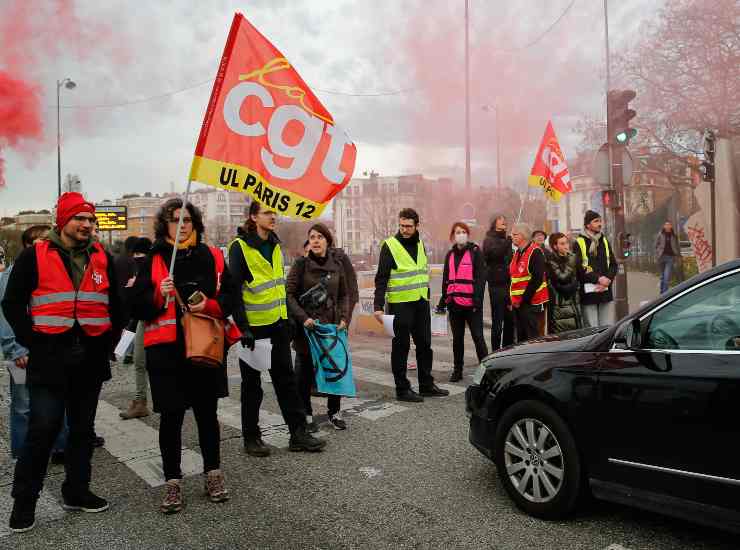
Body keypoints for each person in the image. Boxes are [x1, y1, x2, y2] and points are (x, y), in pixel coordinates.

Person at [3, 192, 124, 533]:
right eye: (79, 219)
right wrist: (35, 342)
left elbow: (117, 305)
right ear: (63, 221)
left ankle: (77, 491)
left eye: (90, 219)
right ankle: (24, 504)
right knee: (42, 430)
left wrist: (106, 345)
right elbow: (12, 304)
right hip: (49, 359)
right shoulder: (33, 256)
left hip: (90, 359)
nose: (87, 225)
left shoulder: (102, 256)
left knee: (82, 431)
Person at [129, 199, 234, 513]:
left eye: (187, 219)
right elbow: (137, 308)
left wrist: (211, 306)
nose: (182, 224)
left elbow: (230, 297)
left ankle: (212, 473)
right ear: (165, 225)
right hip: (167, 352)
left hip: (205, 347)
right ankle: (172, 482)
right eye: (175, 220)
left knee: (206, 415)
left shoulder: (212, 256)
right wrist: (158, 295)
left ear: (196, 223)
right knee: (171, 419)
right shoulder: (152, 259)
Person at [229, 201, 326, 456]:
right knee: (252, 385)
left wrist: (289, 318)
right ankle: (251, 437)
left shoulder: (274, 243)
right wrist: (242, 327)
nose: (273, 217)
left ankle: (298, 435)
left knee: (286, 382)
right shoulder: (239, 248)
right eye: (267, 213)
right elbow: (233, 292)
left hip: (277, 325)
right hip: (254, 330)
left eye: (274, 212)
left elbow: (278, 285)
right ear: (253, 217)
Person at [1, 226, 69, 465]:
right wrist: (16, 349)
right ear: (28, 246)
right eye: (41, 242)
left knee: (57, 398)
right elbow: (6, 314)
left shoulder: (55, 270)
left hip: (50, 349)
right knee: (23, 404)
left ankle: (60, 446)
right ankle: (23, 452)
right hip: (22, 351)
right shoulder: (12, 274)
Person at [373, 208, 449, 402]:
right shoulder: (389, 245)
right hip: (400, 305)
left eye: (408, 226)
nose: (404, 229)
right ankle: (402, 389)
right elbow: (381, 278)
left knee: (425, 344)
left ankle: (426, 384)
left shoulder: (421, 244)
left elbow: (422, 272)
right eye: (402, 226)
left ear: (417, 226)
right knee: (401, 347)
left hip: (421, 302)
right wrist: (378, 305)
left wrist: (428, 298)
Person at [287, 223, 354, 431]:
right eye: (312, 237)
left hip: (331, 328)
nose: (315, 240)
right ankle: (306, 414)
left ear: (327, 241)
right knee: (304, 375)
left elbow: (344, 294)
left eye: (320, 237)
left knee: (334, 371)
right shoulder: (301, 265)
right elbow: (288, 294)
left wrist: (344, 318)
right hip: (308, 328)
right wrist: (303, 318)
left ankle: (334, 412)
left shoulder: (337, 265)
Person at [435, 222, 488, 382]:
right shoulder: (449, 255)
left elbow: (481, 278)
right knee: (457, 339)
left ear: (468, 234)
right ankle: (457, 370)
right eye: (458, 232)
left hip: (472, 305)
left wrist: (477, 301)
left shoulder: (475, 252)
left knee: (478, 337)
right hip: (455, 304)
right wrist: (442, 302)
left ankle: (486, 371)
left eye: (463, 231)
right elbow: (446, 280)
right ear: (453, 235)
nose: (461, 234)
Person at [119, 237, 153, 420]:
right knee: (140, 362)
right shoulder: (137, 270)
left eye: (141, 255)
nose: (138, 258)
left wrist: (136, 287)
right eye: (136, 255)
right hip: (141, 321)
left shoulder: (154, 269)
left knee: (154, 363)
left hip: (156, 322)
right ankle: (140, 402)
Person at [574, 210, 618, 328]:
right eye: (596, 221)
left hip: (605, 291)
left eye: (600, 221)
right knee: (592, 330)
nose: (600, 224)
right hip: (589, 293)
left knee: (607, 328)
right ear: (588, 225)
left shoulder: (604, 240)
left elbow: (613, 264)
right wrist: (599, 279)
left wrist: (607, 280)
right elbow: (580, 268)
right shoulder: (579, 242)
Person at [509, 223, 549, 343]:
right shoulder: (517, 253)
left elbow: (537, 279)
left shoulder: (535, 252)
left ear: (523, 236)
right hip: (519, 303)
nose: (512, 237)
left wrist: (524, 300)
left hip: (531, 302)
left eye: (514, 234)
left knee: (533, 338)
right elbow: (515, 278)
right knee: (521, 339)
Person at [482, 214, 514, 351]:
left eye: (504, 220)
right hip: (497, 285)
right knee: (497, 322)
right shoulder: (489, 239)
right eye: (501, 220)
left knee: (510, 322)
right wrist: (508, 242)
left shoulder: (506, 240)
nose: (504, 222)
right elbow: (494, 254)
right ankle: (495, 351)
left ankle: (507, 350)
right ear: (494, 223)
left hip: (509, 284)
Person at [545, 233, 583, 333]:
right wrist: (571, 261)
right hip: (559, 306)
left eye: (566, 243)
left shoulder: (574, 258)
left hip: (575, 303)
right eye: (562, 244)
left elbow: (580, 276)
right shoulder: (550, 260)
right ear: (555, 246)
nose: (566, 246)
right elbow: (562, 278)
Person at [655, 221, 680, 294]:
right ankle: (662, 293)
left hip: (670, 258)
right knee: (662, 276)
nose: (667, 226)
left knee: (666, 276)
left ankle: (665, 294)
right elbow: (656, 245)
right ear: (664, 226)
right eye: (666, 224)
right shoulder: (660, 234)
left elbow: (677, 246)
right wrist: (657, 253)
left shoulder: (674, 236)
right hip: (661, 257)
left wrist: (678, 255)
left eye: (669, 224)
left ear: (671, 226)